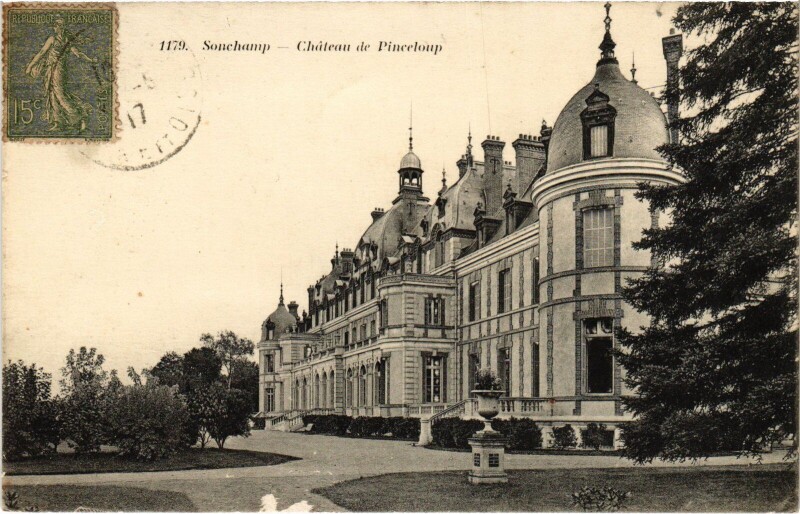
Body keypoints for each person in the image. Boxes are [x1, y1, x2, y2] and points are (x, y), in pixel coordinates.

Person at [25, 18, 97, 132]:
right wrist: (91, 60)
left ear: (59, 27)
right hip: (53, 69)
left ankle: (79, 117)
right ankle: (59, 122)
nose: (56, 27)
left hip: (57, 70)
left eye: (57, 25)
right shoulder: (66, 40)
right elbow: (78, 54)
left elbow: (42, 53)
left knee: (59, 94)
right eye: (56, 25)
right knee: (52, 93)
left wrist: (30, 66)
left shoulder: (53, 39)